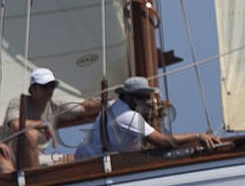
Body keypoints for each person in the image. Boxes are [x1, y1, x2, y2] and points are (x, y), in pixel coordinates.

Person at [73, 76, 221, 160]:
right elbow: (161, 141)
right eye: (141, 97)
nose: (146, 101)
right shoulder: (128, 117)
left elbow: (87, 106)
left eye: (147, 97)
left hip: (85, 158)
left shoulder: (114, 104)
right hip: (91, 165)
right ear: (128, 97)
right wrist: (197, 136)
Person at [3, 67, 94, 170]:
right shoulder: (18, 103)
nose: (50, 90)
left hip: (38, 158)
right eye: (45, 86)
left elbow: (84, 108)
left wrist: (108, 103)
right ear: (33, 89)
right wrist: (44, 124)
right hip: (10, 158)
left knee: (76, 157)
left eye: (52, 86)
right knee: (31, 134)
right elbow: (16, 124)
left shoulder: (54, 104)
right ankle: (35, 179)